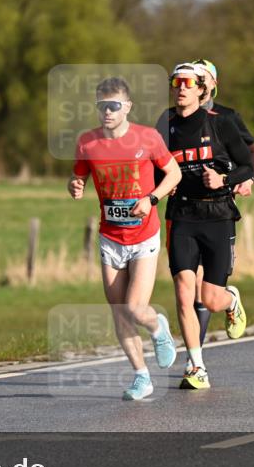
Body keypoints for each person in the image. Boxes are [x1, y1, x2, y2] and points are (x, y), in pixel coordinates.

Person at [69, 77, 182, 400]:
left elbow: (173, 173)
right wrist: (75, 187)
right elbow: (78, 177)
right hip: (110, 237)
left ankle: (158, 327)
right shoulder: (87, 142)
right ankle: (141, 377)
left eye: (113, 105)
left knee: (134, 307)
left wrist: (152, 199)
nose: (107, 111)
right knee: (119, 310)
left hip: (144, 235)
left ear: (127, 107)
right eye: (101, 106)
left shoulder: (147, 137)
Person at [154, 59, 254, 356]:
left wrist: (233, 179)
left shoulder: (224, 118)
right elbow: (154, 162)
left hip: (218, 212)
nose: (181, 89)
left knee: (209, 296)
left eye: (189, 83)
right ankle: (195, 362)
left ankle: (228, 301)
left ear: (207, 86)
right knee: (186, 291)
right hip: (182, 213)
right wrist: (164, 183)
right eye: (176, 83)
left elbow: (249, 158)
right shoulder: (165, 122)